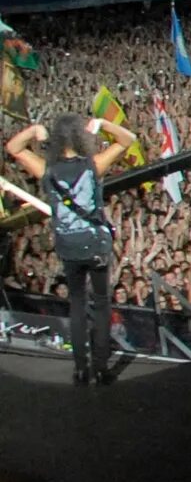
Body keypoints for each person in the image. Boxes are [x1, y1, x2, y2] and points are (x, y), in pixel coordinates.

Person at [8, 111, 136, 386]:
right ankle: (101, 368)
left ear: (55, 140)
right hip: (96, 244)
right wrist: (103, 125)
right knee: (101, 304)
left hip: (68, 245)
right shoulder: (93, 166)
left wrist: (35, 131)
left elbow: (13, 148)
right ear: (81, 138)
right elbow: (128, 140)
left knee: (77, 304)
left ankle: (80, 367)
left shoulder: (46, 170)